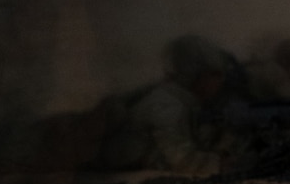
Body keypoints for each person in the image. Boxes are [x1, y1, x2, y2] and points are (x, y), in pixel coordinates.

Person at [88, 34, 246, 176]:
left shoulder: (183, 101)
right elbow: (183, 160)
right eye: (214, 74)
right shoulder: (168, 105)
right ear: (197, 75)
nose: (220, 81)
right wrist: (220, 164)